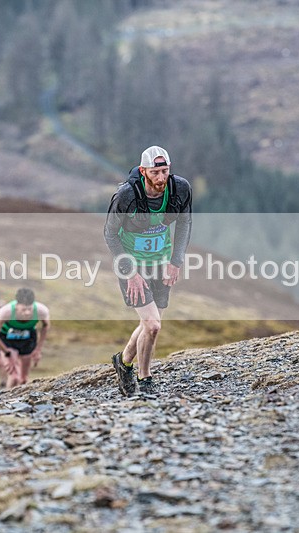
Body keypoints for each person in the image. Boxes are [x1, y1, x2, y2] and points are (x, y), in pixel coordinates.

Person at [103, 146, 192, 396]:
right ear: (143, 171)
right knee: (152, 325)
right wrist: (130, 272)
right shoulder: (127, 195)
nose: (161, 178)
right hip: (131, 264)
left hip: (161, 262)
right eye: (155, 172)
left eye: (165, 171)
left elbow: (185, 223)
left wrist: (175, 262)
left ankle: (123, 362)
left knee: (149, 324)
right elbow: (110, 234)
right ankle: (145, 378)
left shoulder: (180, 189)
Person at [0, 288, 50, 388]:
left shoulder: (41, 311)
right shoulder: (6, 312)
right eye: (23, 310)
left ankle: (22, 397)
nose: (27, 313)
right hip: (7, 340)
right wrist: (6, 352)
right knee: (14, 377)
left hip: (27, 339)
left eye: (30, 309)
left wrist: (38, 349)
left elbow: (45, 326)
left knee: (23, 379)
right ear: (16, 306)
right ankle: (8, 396)